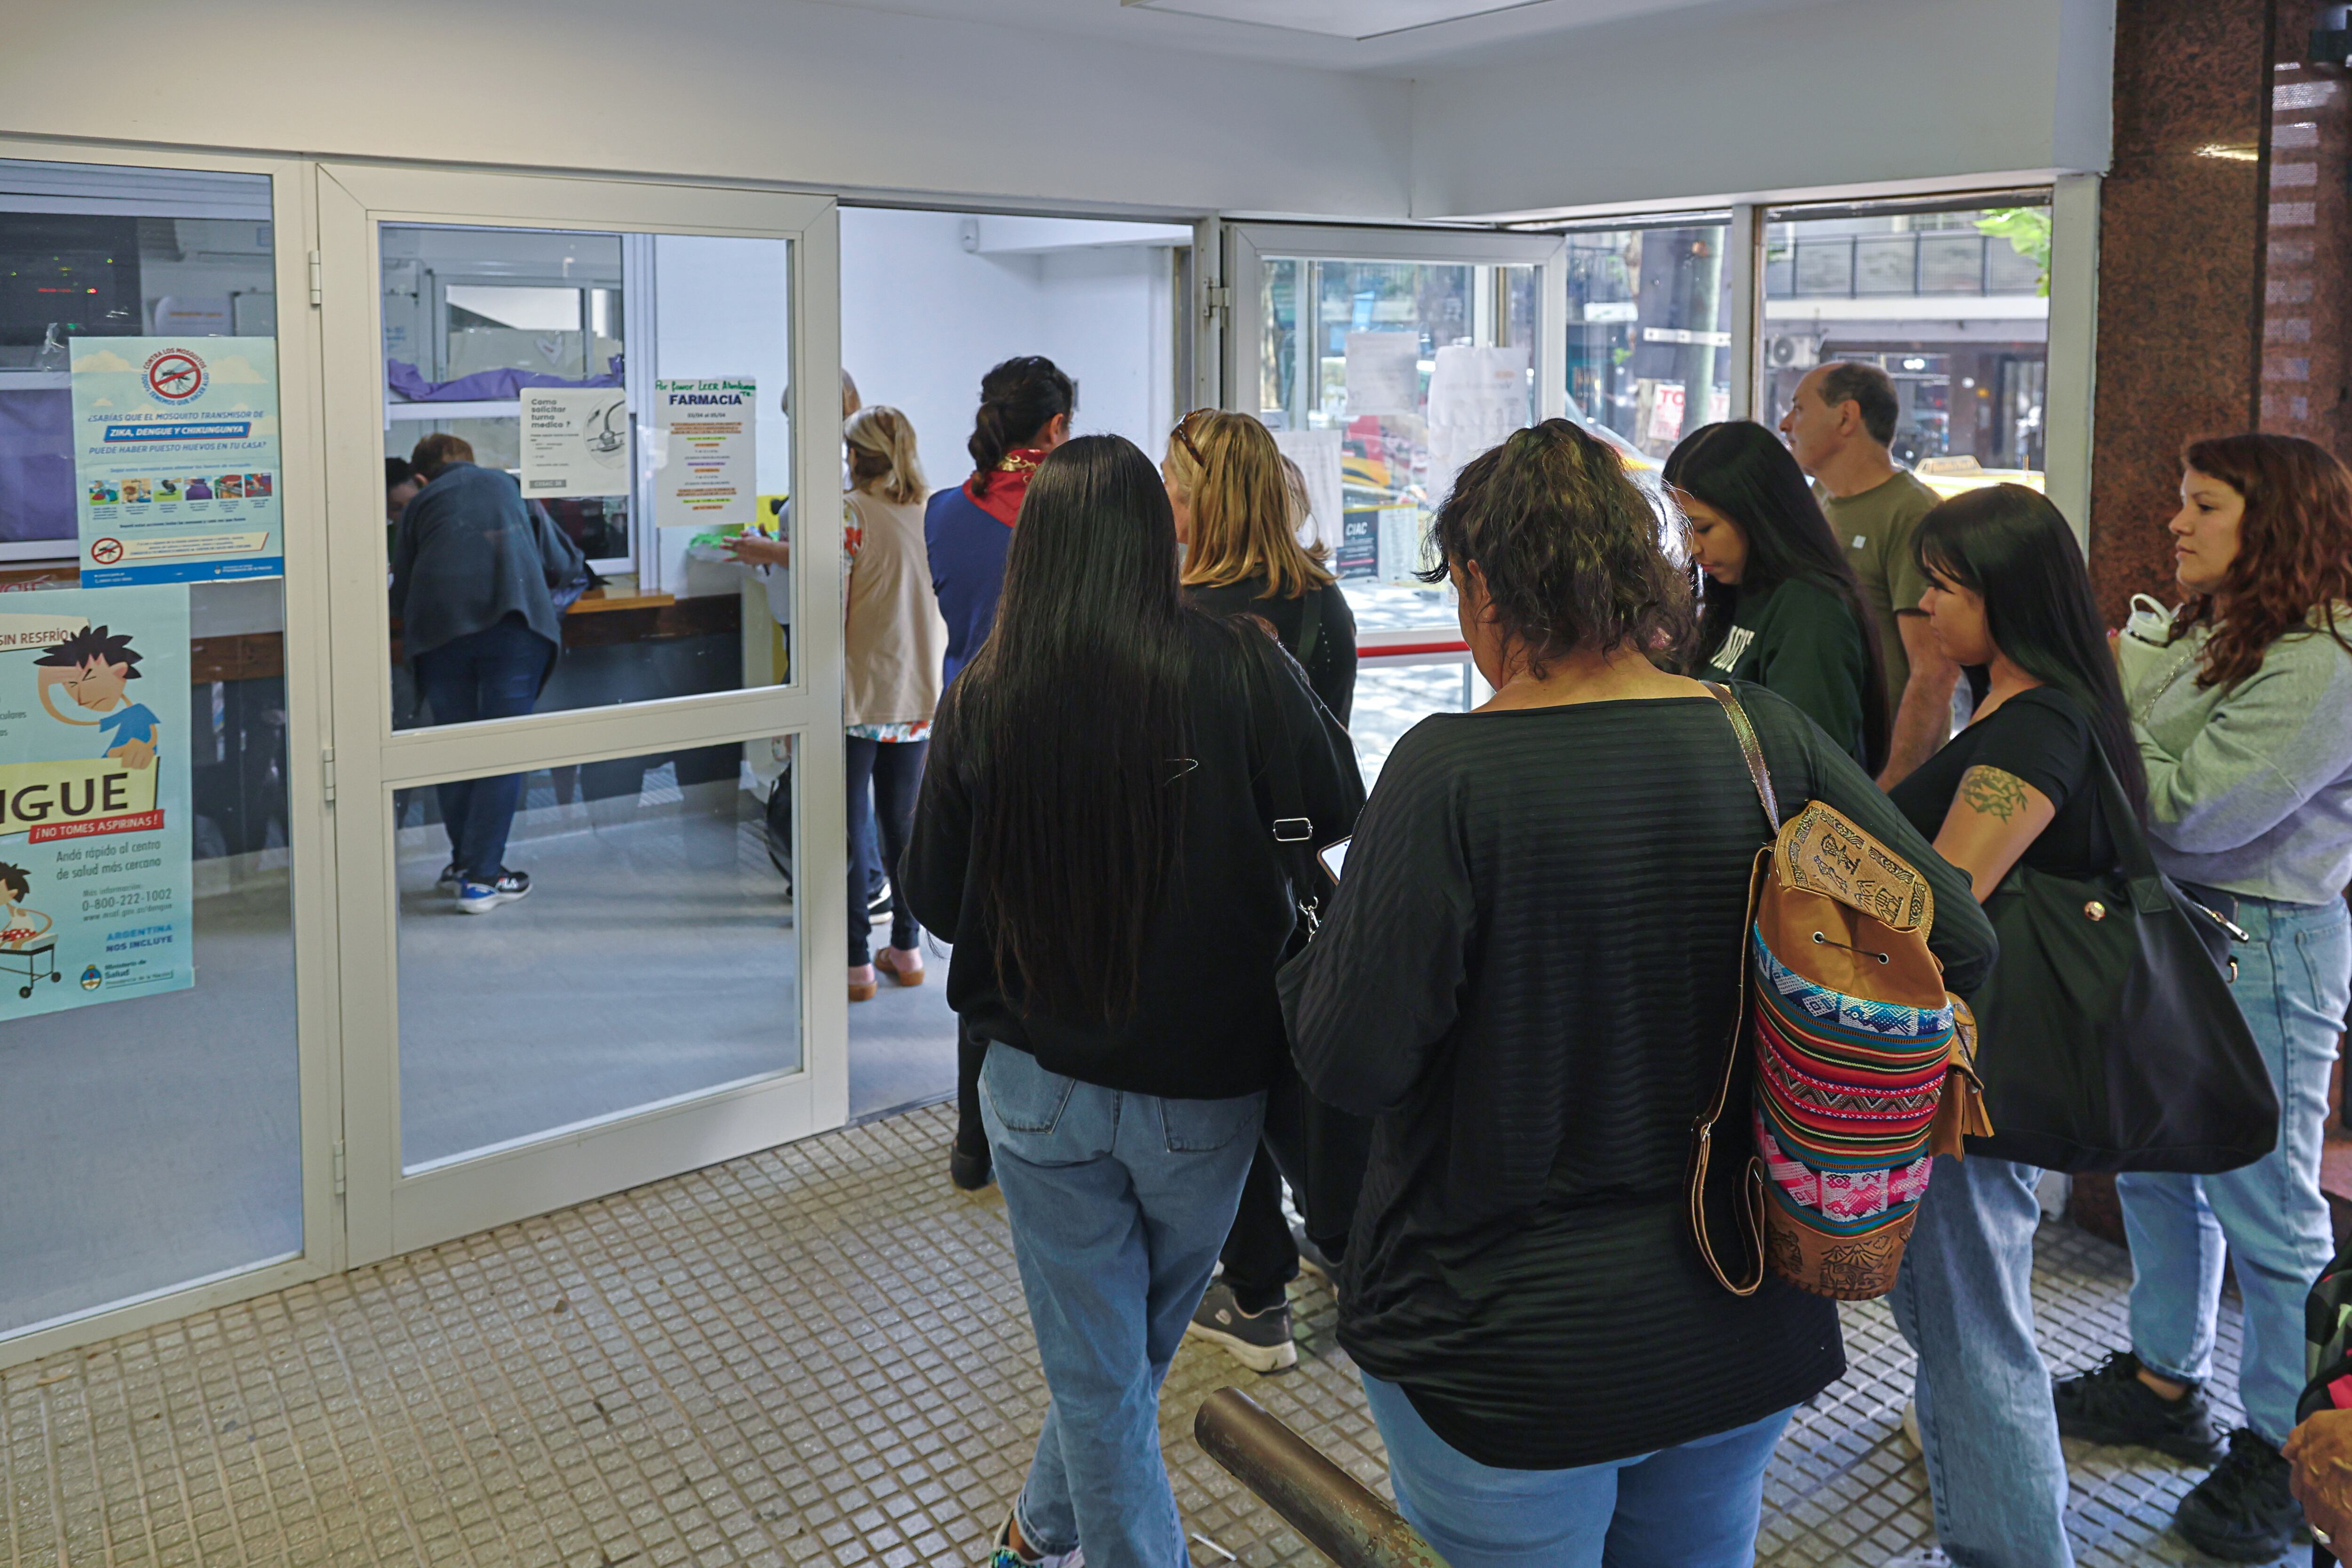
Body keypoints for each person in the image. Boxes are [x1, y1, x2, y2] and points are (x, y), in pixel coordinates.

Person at [1279, 420, 1995, 1567]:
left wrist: (1314, 953)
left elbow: (1353, 1062)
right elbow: (1955, 938)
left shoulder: (1449, 775)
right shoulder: (1764, 737)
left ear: (1479, 585)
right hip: (1743, 1298)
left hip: (1502, 1341)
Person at [902, 435, 1362, 1568]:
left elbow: (935, 901)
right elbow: (1336, 802)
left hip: (1037, 1088)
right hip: (1204, 1087)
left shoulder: (986, 692)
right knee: (1113, 1367)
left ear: (1036, 545)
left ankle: (1033, 1536)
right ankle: (1066, 1543)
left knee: (1104, 1372)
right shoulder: (1240, 660)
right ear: (1158, 535)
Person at [2056, 432, 2352, 1564]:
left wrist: (2106, 719)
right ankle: (2161, 1379)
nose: (2174, 523)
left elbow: (2188, 812)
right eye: (2180, 502)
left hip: (2262, 945)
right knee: (2153, 1168)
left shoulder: (2323, 660)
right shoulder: (2203, 624)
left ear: (2270, 523)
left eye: (2203, 506)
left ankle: (2288, 1450)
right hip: (2172, 927)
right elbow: (2141, 766)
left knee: (2268, 1212)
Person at [1872, 485, 2141, 1568]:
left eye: (1944, 586)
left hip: (1970, 1074)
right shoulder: (2014, 703)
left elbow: (1950, 896)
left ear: (2009, 597)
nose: (1925, 605)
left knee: (1974, 1333)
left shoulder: (2033, 726)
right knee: (1958, 1318)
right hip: (1975, 1063)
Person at [1160, 407, 1359, 1374]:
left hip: (1195, 902)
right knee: (1299, 1075)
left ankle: (1254, 1293)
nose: (1164, 498)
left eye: (1172, 482)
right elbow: (1328, 776)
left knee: (1219, 1088)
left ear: (1202, 498)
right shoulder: (1323, 602)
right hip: (1298, 888)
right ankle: (1344, 1242)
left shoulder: (1171, 616)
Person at [927, 356, 1075, 1192]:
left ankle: (972, 1142)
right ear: (1056, 429)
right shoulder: (1071, 518)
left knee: (984, 946)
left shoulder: (945, 512)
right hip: (1055, 744)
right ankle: (1054, 1122)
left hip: (966, 740)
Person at [390, 431, 587, 913]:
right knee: (501, 750)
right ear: (471, 461)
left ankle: (464, 865)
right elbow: (562, 563)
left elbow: (399, 594)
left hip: (439, 639)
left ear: (420, 476)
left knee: (455, 748)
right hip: (512, 632)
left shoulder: (417, 506)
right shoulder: (507, 485)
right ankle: (482, 879)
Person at [1664, 419, 1890, 772]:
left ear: (1757, 514)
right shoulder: (1737, 592)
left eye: (1704, 527)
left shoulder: (1811, 612)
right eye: (1683, 528)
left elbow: (1806, 768)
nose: (1692, 547)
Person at [1780, 361, 1957, 787]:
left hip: (1877, 774)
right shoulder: (1816, 498)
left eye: (1799, 409)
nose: (1786, 425)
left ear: (1846, 417)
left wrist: (1893, 786)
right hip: (1826, 761)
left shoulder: (1912, 513)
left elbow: (1934, 670)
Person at [836, 406, 948, 1003]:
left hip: (858, 696)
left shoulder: (849, 514)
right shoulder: (934, 511)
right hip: (919, 695)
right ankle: (906, 949)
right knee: (903, 826)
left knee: (850, 829)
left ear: (857, 455)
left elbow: (832, 608)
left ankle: (856, 962)